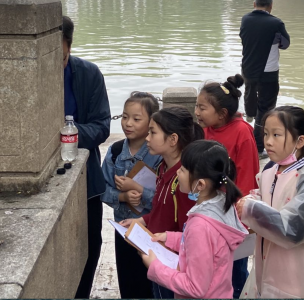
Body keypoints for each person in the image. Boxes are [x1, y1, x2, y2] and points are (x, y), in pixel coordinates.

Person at [236, 106, 304, 299]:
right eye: (265, 134)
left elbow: (292, 229)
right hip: (265, 261)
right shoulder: (270, 172)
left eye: (276, 135)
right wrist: (253, 200)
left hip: (294, 269)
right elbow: (267, 199)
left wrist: (249, 207)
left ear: (300, 141)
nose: (268, 141)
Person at [142, 140, 248, 299]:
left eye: (183, 169)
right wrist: (169, 237)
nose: (178, 172)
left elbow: (195, 287)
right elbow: (206, 246)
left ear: (200, 185)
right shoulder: (220, 204)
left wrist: (155, 267)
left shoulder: (200, 225)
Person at [120, 106, 204, 299]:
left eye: (153, 132)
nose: (147, 138)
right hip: (158, 255)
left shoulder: (184, 180)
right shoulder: (163, 167)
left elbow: (189, 230)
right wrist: (142, 221)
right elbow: (162, 210)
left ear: (173, 140)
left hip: (172, 264)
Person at [195, 74, 259, 298]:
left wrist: (240, 219)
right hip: (207, 212)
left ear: (222, 114)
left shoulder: (242, 133)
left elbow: (247, 178)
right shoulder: (205, 129)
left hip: (232, 215)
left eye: (202, 108)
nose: (197, 113)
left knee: (234, 268)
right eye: (197, 106)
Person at [62, 16, 111, 299]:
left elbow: (102, 126)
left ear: (69, 45)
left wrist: (65, 132)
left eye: (61, 54)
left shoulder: (89, 74)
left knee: (91, 245)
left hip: (86, 180)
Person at [101, 92, 162, 299]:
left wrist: (140, 190)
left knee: (152, 281)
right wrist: (123, 197)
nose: (128, 123)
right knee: (127, 280)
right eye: (125, 117)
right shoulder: (115, 151)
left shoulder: (158, 155)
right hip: (124, 229)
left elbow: (165, 199)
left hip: (152, 230)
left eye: (136, 119)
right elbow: (103, 189)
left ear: (152, 122)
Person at [239, 0, 290, 158]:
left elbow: (243, 37)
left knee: (250, 95)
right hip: (268, 71)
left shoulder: (245, 19)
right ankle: (258, 147)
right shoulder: (276, 23)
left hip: (248, 68)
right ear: (271, 5)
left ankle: (250, 115)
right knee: (266, 108)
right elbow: (285, 43)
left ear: (254, 4)